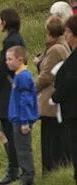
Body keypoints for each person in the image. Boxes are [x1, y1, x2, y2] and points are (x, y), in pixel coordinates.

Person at [0, 8, 26, 185]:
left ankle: (13, 168)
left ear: (6, 21)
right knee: (8, 130)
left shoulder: (11, 40)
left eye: (0, 20)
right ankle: (14, 167)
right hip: (9, 87)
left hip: (7, 89)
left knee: (8, 130)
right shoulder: (16, 38)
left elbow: (2, 67)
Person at [36, 15, 71, 173]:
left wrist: (31, 88)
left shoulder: (55, 49)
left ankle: (50, 170)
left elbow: (46, 76)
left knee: (50, 139)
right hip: (57, 99)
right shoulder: (62, 46)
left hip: (50, 100)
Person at [52, 14, 77, 185]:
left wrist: (58, 94)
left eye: (68, 31)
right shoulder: (73, 53)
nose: (65, 35)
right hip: (70, 111)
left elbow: (70, 81)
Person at [6, 45, 38, 185]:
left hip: (21, 120)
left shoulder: (23, 77)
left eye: (10, 59)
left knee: (24, 149)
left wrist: (25, 121)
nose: (7, 62)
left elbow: (26, 101)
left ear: (20, 59)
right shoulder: (18, 75)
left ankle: (28, 178)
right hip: (16, 118)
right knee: (20, 149)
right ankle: (24, 175)